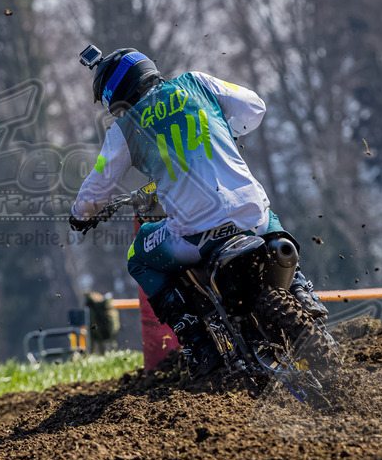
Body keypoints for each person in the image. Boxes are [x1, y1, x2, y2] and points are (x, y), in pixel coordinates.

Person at [69, 47, 327, 377]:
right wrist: (227, 130)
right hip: (252, 215)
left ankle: (197, 342)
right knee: (263, 213)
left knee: (139, 257)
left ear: (115, 95)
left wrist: (80, 215)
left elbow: (97, 187)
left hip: (196, 235)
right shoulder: (197, 83)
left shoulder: (123, 130)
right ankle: (300, 289)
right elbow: (255, 107)